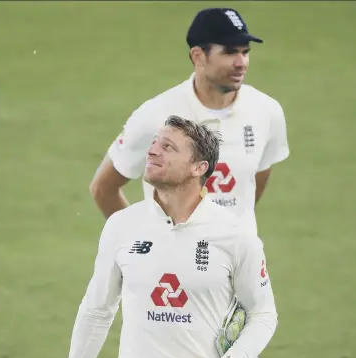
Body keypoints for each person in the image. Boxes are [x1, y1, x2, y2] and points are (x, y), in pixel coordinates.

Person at [43, 116, 278, 358]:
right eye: (154, 143)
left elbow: (264, 315)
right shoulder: (122, 226)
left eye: (168, 147)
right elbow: (97, 310)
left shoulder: (234, 235)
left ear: (199, 168)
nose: (153, 150)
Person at [91, 7, 289, 235]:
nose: (241, 62)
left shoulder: (266, 111)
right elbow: (103, 189)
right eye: (229, 52)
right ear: (198, 56)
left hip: (239, 266)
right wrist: (142, 245)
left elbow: (254, 185)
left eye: (245, 52)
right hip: (172, 266)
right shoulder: (156, 115)